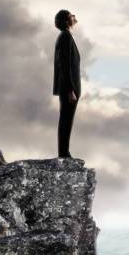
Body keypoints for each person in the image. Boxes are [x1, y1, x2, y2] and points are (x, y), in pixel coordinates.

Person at [53, 9, 81, 158]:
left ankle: (64, 152)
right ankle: (63, 153)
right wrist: (70, 89)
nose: (74, 17)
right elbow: (64, 65)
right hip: (68, 89)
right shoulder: (65, 37)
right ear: (66, 21)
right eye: (71, 15)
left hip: (69, 88)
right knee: (65, 120)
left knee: (66, 120)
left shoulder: (66, 37)